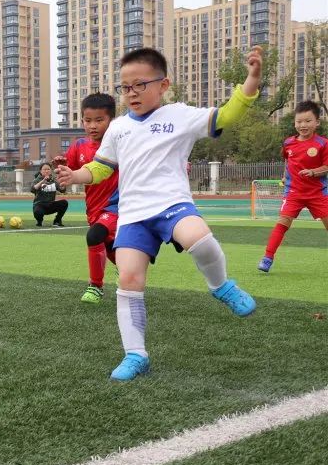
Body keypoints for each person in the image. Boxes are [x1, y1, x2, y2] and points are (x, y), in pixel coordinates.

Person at [57, 46, 262, 382]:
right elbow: (100, 168)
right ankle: (136, 355)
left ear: (163, 84)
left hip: (172, 204)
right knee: (129, 281)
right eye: (125, 87)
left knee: (200, 239)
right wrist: (74, 175)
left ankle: (222, 286)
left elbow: (225, 116)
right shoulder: (118, 128)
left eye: (141, 84)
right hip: (132, 214)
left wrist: (251, 80)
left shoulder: (180, 115)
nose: (132, 93)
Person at [258, 100, 328, 272]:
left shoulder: (323, 143)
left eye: (307, 121)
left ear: (317, 122)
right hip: (294, 192)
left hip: (318, 193)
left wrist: (313, 172)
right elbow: (287, 159)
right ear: (295, 123)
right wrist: (285, 174)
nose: (303, 125)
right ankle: (267, 258)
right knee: (282, 223)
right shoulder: (288, 143)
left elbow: (327, 167)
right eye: (299, 121)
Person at [65, 93, 120, 304]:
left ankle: (95, 287)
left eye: (99, 120)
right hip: (93, 208)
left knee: (94, 236)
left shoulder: (119, 145)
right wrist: (61, 167)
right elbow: (70, 169)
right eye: (88, 120)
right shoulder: (79, 145)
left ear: (111, 121)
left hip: (117, 205)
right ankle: (126, 268)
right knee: (108, 247)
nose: (93, 126)